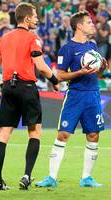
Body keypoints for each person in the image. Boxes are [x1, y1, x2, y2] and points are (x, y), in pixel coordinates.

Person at [0, 2, 60, 191]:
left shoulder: (3, 39)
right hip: (27, 88)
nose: (37, 19)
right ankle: (27, 175)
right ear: (27, 18)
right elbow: (41, 66)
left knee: (3, 134)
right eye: (35, 16)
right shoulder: (33, 38)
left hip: (8, 89)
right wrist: (54, 80)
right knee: (35, 132)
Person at [35, 10, 106, 188]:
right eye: (89, 22)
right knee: (63, 134)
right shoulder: (67, 49)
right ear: (79, 26)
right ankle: (51, 177)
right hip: (75, 96)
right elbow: (58, 76)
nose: (92, 25)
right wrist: (80, 72)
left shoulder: (93, 47)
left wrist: (102, 67)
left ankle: (87, 178)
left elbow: (98, 74)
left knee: (93, 135)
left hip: (93, 95)